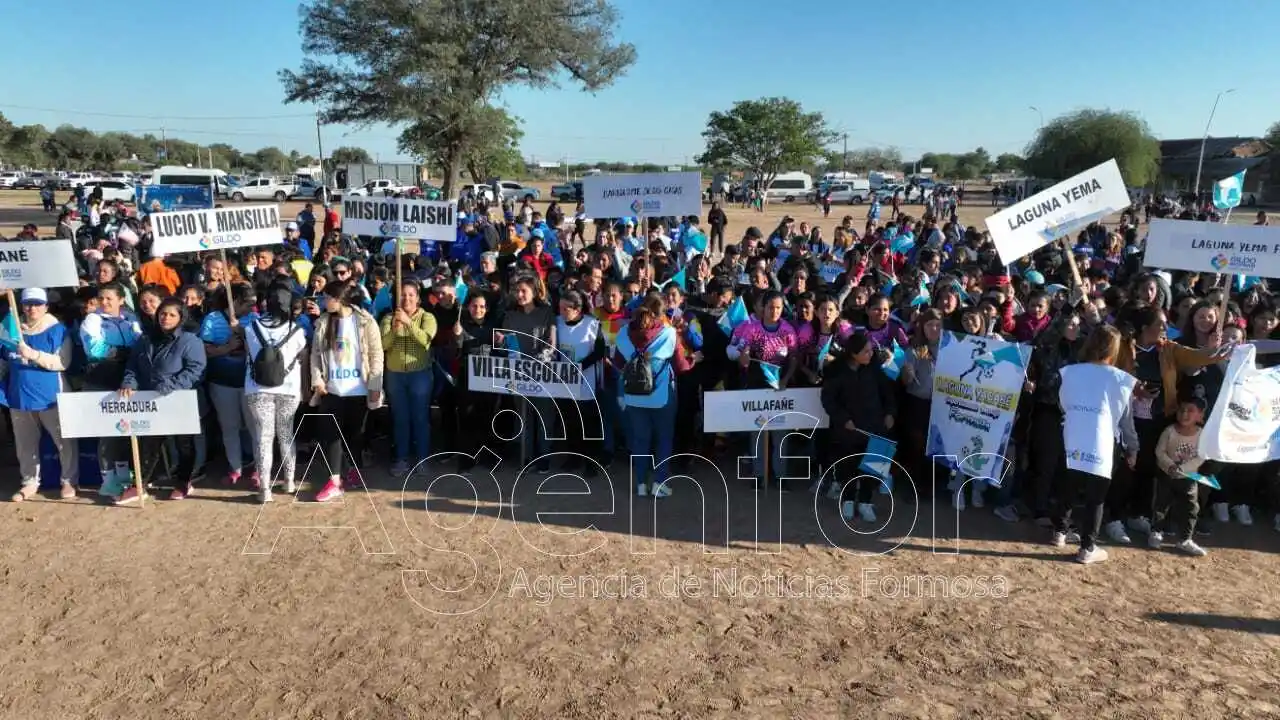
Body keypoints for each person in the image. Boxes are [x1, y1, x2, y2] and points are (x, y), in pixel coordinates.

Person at [1055, 326, 1139, 564]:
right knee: (1096, 495)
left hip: (1072, 433)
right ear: (1115, 349)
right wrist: (1133, 447)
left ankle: (1059, 532)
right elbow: (1126, 419)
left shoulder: (1070, 371)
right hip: (1102, 440)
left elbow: (1062, 404)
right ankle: (1087, 547)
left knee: (1068, 485)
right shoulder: (1121, 379)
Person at [117, 297, 207, 504]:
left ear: (180, 317)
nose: (166, 318)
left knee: (183, 443)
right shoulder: (146, 338)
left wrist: (171, 385)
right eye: (163, 314)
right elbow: (133, 365)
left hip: (178, 400)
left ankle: (183, 482)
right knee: (149, 443)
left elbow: (196, 369)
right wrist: (129, 382)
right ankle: (140, 485)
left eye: (172, 314)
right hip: (151, 400)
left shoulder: (190, 341)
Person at [309, 282, 384, 503]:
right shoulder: (323, 322)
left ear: (339, 298)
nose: (324, 302)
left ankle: (353, 468)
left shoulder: (365, 321)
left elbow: (376, 355)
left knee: (354, 435)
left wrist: (374, 386)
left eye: (326, 298)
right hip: (331, 389)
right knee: (330, 434)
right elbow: (315, 354)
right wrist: (317, 380)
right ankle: (334, 480)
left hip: (358, 389)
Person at [3, 289, 78, 502]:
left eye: (37, 304)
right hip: (19, 395)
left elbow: (62, 362)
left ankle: (68, 480)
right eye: (28, 304)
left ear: (46, 306)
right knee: (25, 444)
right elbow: (4, 360)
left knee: (64, 442)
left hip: (51, 396)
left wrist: (34, 355)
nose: (32, 308)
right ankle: (29, 482)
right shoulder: (11, 330)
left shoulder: (58, 330)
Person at [613, 294, 690, 497]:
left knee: (640, 440)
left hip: (633, 395)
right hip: (661, 396)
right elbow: (682, 366)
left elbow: (618, 365)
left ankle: (640, 484)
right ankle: (659, 483)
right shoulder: (670, 334)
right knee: (663, 439)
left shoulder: (622, 333)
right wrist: (695, 360)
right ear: (662, 312)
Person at [244, 283, 308, 503]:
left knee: (263, 437)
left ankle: (264, 488)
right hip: (289, 388)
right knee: (286, 435)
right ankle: (289, 481)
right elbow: (302, 354)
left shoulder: (250, 328)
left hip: (257, 389)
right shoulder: (298, 330)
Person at [821, 332, 896, 522]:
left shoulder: (874, 369)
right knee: (848, 465)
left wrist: (890, 413)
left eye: (871, 350)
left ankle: (865, 501)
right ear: (853, 353)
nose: (871, 354)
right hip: (849, 429)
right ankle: (847, 500)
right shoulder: (837, 371)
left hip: (875, 427)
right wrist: (843, 418)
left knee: (872, 467)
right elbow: (828, 400)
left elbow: (888, 393)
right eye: (866, 351)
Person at [80, 283, 142, 499]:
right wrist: (124, 352)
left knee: (125, 430)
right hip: (101, 380)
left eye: (109, 298)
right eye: (101, 298)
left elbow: (140, 341)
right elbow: (94, 348)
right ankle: (107, 480)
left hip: (126, 381)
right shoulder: (92, 319)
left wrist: (131, 354)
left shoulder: (130, 318)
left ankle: (124, 475)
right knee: (107, 432)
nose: (104, 303)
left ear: (121, 299)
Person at [200, 283, 258, 488]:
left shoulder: (254, 319)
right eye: (247, 303)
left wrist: (242, 333)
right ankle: (235, 467)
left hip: (250, 382)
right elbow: (205, 349)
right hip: (222, 382)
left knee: (254, 427)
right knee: (229, 426)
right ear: (234, 302)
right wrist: (227, 347)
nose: (252, 307)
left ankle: (259, 468)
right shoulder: (212, 319)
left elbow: (262, 347)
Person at [380, 278, 438, 476]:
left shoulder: (427, 318)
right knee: (400, 418)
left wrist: (409, 324)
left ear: (418, 298)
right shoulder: (389, 318)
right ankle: (401, 458)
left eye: (411, 294)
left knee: (420, 417)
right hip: (395, 375)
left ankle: (423, 459)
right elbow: (384, 345)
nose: (407, 298)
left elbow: (425, 341)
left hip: (419, 375)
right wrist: (396, 329)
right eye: (403, 295)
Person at [1151, 398, 1214, 556]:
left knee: (1191, 508)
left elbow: (1201, 457)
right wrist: (1170, 466)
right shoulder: (1169, 431)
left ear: (1200, 415)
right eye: (1182, 410)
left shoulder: (1202, 435)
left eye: (1190, 410)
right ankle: (1156, 532)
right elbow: (1160, 451)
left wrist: (1183, 469)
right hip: (1167, 475)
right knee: (1161, 505)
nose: (1184, 414)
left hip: (1189, 478)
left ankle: (1185, 539)